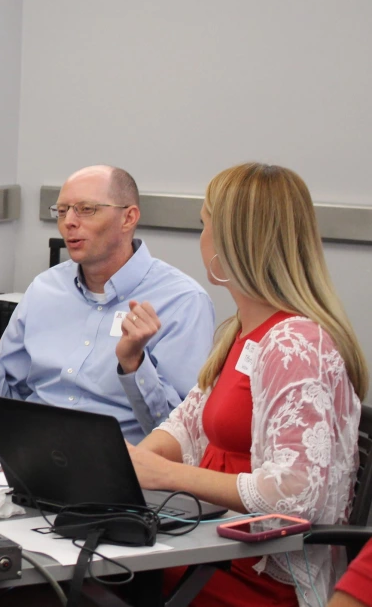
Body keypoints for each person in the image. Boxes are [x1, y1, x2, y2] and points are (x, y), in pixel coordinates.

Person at [128, 163, 367, 606]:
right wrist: (128, 466)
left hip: (255, 575)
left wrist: (165, 474)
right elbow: (188, 424)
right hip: (210, 547)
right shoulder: (243, 331)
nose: (199, 239)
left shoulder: (296, 342)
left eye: (204, 225)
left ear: (232, 243)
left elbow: (298, 494)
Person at [0, 165, 215, 442]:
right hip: (32, 452)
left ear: (128, 218)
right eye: (62, 211)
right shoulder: (45, 289)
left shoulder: (182, 301)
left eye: (86, 209)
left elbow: (183, 438)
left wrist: (135, 365)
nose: (69, 222)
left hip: (122, 463)